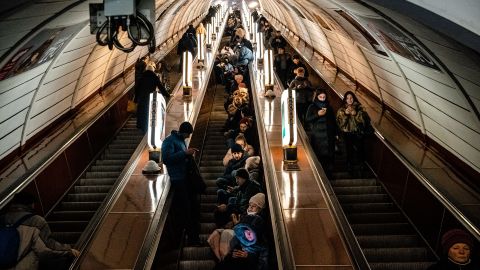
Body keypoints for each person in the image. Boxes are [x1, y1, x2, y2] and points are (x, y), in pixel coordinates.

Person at [0, 192, 80, 270]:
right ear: (31, 204)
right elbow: (46, 247)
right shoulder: (36, 221)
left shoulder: (2, 219)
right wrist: (67, 250)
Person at [161, 122, 201, 245]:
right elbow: (166, 159)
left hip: (185, 178)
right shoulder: (169, 141)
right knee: (185, 209)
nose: (189, 136)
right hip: (177, 179)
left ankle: (193, 236)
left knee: (193, 206)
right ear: (183, 132)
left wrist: (187, 154)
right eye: (188, 134)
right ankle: (191, 239)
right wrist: (185, 153)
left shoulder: (181, 140)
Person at [336, 91, 371, 172]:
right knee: (349, 150)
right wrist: (345, 114)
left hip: (358, 133)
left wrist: (356, 114)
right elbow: (340, 124)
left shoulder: (360, 108)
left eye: (351, 98)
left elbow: (366, 120)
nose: (349, 100)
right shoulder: (341, 109)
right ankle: (349, 167)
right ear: (345, 99)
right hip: (347, 134)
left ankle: (361, 167)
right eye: (347, 98)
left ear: (354, 98)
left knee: (360, 150)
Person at [305, 89, 336, 175]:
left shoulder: (329, 108)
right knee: (319, 157)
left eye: (324, 97)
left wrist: (336, 134)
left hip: (329, 136)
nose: (322, 99)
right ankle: (320, 175)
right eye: (320, 97)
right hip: (317, 137)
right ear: (317, 97)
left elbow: (333, 122)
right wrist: (317, 115)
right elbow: (307, 119)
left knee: (330, 157)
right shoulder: (312, 107)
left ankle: (329, 175)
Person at [135, 64, 170, 133]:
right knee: (149, 112)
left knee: (142, 112)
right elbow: (161, 87)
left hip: (141, 98)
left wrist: (136, 99)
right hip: (150, 98)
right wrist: (167, 95)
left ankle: (142, 127)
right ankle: (147, 127)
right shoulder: (154, 77)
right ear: (153, 70)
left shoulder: (141, 77)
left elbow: (137, 89)